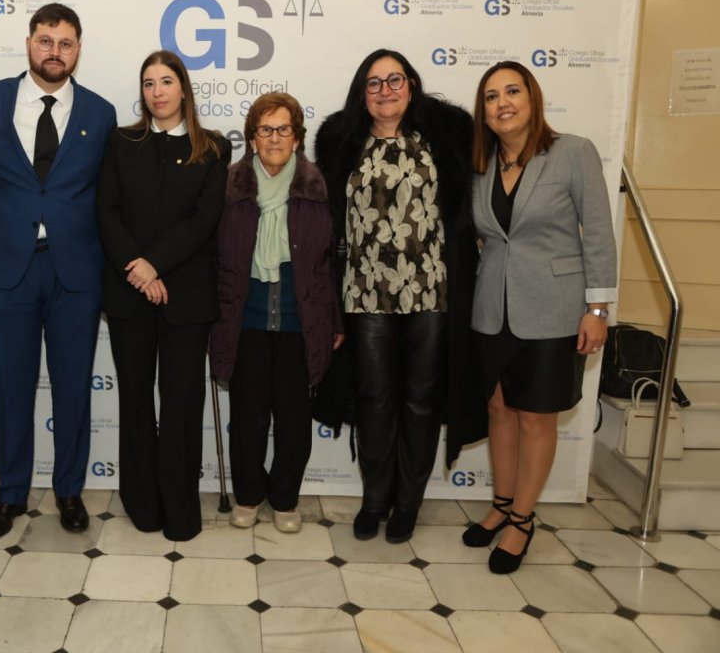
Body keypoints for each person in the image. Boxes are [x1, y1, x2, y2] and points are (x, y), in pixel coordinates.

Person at [315, 49, 483, 544]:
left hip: (431, 288)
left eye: (394, 80)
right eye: (374, 83)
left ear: (411, 85)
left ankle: (408, 503)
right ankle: (375, 499)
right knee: (374, 398)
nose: (385, 90)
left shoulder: (444, 137)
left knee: (422, 400)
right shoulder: (343, 142)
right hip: (365, 290)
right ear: (361, 93)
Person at [0, 3, 117, 539]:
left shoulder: (100, 112)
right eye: (46, 41)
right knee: (11, 388)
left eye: (66, 43)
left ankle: (69, 491)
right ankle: (10, 494)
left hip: (76, 273)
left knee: (74, 388)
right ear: (29, 42)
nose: (55, 52)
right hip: (8, 270)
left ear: (78, 49)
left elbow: (110, 196)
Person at [464, 61, 617, 573]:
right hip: (492, 309)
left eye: (513, 91)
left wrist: (598, 308)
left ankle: (522, 520)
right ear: (483, 111)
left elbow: (598, 233)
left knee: (535, 416)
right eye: (491, 96)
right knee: (499, 411)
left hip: (554, 310)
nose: (502, 103)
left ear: (533, 99)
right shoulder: (481, 166)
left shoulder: (571, 152)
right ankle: (501, 504)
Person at [96, 50, 230, 541]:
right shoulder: (121, 142)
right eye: (149, 83)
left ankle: (180, 509)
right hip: (129, 292)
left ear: (183, 89)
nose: (157, 91)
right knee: (135, 401)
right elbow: (106, 211)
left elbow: (204, 219)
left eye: (166, 81)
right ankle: (142, 503)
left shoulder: (212, 148)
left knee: (182, 404)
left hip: (186, 298)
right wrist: (139, 268)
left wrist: (155, 264)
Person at [210, 93, 343, 533]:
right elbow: (212, 257)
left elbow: (332, 262)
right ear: (251, 139)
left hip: (300, 322)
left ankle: (285, 498)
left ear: (297, 138)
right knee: (247, 417)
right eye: (264, 129)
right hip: (242, 320)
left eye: (283, 129)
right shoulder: (228, 187)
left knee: (293, 419)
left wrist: (335, 320)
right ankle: (249, 495)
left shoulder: (318, 188)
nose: (274, 138)